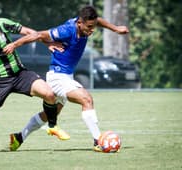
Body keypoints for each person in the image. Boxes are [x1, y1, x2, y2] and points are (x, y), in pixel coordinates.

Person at [8, 5, 129, 152]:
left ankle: (19, 137)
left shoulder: (86, 24)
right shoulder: (67, 30)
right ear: (79, 23)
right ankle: (98, 141)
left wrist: (115, 29)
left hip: (65, 76)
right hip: (58, 77)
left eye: (93, 27)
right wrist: (14, 44)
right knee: (87, 99)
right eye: (89, 27)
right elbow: (38, 35)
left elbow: (99, 21)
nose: (91, 30)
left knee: (50, 114)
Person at [0, 6, 69, 153]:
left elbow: (28, 32)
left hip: (20, 74)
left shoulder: (1, 24)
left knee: (49, 94)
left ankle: (52, 126)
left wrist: (47, 43)